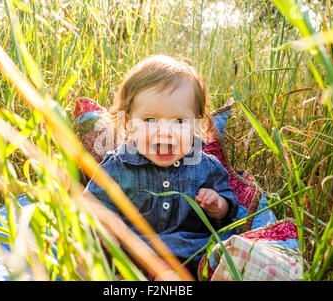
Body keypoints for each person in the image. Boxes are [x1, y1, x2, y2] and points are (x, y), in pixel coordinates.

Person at [84, 55, 238, 277]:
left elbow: (229, 205)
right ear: (128, 123)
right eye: (150, 120)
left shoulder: (204, 165)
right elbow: (90, 201)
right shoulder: (119, 165)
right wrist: (103, 222)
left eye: (179, 121)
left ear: (196, 124)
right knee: (86, 256)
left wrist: (218, 204)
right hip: (127, 249)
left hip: (179, 252)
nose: (165, 132)